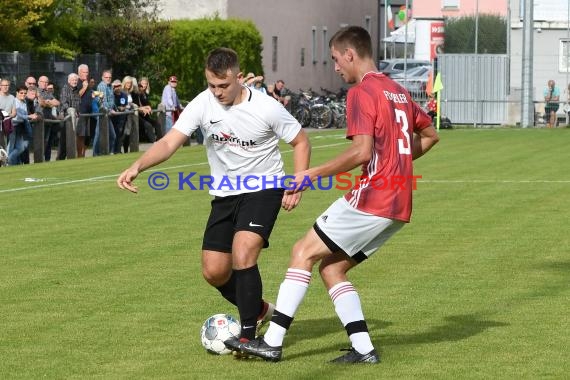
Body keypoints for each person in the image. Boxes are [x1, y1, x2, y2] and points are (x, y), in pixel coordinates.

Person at [242, 25, 439, 364]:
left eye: (335, 59)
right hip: (399, 201)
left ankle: (272, 341)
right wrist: (398, 160)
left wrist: (309, 174)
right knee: (332, 269)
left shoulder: (362, 92)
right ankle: (363, 349)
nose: (335, 67)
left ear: (350, 54)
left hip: (374, 195)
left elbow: (362, 153)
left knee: (302, 251)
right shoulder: (399, 91)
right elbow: (431, 135)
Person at [117, 47, 311, 353]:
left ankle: (249, 336)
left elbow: (300, 140)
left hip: (264, 187)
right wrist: (137, 166)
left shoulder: (266, 106)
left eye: (224, 85)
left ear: (238, 76)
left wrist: (298, 183)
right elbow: (169, 141)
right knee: (214, 271)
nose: (218, 92)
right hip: (224, 194)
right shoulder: (202, 103)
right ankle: (259, 310)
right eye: (212, 85)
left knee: (244, 251)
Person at [58, 73, 81, 160]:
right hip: (66, 118)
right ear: (68, 81)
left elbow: (78, 103)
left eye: (76, 80)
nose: (74, 81)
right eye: (73, 80)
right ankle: (60, 159)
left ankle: (70, 157)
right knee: (64, 141)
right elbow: (64, 102)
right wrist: (70, 110)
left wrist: (77, 111)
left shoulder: (76, 90)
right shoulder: (65, 89)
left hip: (75, 118)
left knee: (72, 139)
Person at [38, 76, 61, 161]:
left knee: (48, 143)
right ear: (39, 82)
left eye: (46, 82)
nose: (44, 84)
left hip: (48, 122)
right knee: (41, 142)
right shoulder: (37, 91)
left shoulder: (48, 93)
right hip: (39, 122)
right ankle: (39, 160)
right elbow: (41, 103)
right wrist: (48, 103)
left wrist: (48, 102)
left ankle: (47, 161)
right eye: (43, 82)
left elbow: (57, 102)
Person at [94, 70, 117, 156]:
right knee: (98, 135)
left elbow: (111, 100)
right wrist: (110, 110)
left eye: (109, 77)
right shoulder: (102, 86)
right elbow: (103, 101)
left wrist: (115, 109)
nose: (108, 79)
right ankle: (95, 154)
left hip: (108, 114)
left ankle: (109, 152)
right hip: (103, 114)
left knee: (112, 136)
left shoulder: (110, 86)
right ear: (102, 78)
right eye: (106, 77)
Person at [136, 77, 163, 143]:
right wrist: (146, 107)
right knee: (148, 125)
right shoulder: (137, 94)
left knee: (157, 124)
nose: (144, 85)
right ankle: (154, 142)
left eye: (145, 83)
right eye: (142, 83)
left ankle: (160, 140)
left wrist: (149, 107)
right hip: (139, 115)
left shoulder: (146, 94)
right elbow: (137, 105)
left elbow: (148, 104)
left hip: (146, 116)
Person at [76, 64, 93, 157]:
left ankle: (83, 154)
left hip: (88, 113)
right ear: (79, 72)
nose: (86, 74)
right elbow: (76, 96)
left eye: (87, 72)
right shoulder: (76, 82)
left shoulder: (87, 82)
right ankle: (79, 155)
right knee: (80, 135)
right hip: (80, 113)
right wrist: (84, 87)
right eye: (84, 72)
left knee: (86, 136)